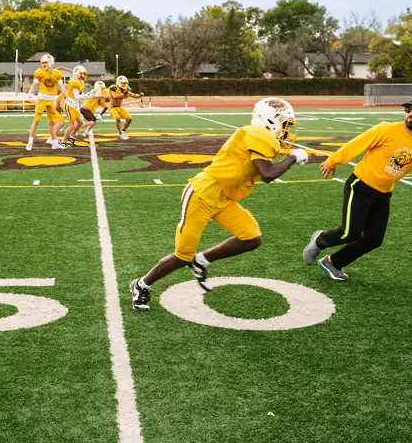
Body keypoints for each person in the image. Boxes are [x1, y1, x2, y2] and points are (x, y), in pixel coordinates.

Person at [129, 97, 326, 311]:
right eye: (285, 124)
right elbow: (268, 174)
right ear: (270, 120)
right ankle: (141, 284)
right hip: (201, 195)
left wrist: (290, 156)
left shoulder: (260, 137)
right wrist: (293, 158)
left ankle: (201, 261)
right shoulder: (257, 134)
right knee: (182, 256)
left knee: (251, 237)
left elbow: (268, 166)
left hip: (223, 199)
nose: (287, 130)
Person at [302, 96, 412, 281]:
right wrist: (333, 160)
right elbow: (358, 143)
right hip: (360, 186)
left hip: (383, 195)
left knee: (374, 239)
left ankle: (333, 262)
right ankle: (320, 239)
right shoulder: (386, 129)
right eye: (408, 110)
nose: (410, 114)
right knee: (349, 233)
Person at [26, 54, 67, 151]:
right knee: (36, 121)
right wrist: (30, 93)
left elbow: (61, 87)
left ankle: (55, 143)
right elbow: (34, 84)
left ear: (51, 63)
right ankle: (30, 142)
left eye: (45, 63)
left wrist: (67, 96)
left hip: (52, 100)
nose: (44, 65)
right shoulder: (39, 72)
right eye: (43, 63)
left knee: (52, 123)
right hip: (42, 99)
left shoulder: (57, 73)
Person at [59, 65, 94, 147]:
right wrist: (89, 95)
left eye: (84, 74)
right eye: (82, 74)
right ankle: (63, 141)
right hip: (69, 105)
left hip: (73, 106)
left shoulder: (80, 82)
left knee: (80, 122)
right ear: (77, 73)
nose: (84, 76)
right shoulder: (75, 82)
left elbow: (80, 95)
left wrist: (90, 95)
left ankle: (71, 136)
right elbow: (77, 96)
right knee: (72, 125)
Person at [108, 76, 144, 141]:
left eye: (125, 83)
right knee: (118, 119)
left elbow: (133, 95)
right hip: (112, 107)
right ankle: (121, 134)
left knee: (129, 119)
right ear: (118, 83)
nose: (124, 85)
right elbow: (115, 96)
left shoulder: (126, 89)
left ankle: (123, 130)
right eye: (123, 83)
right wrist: (123, 94)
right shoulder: (113, 88)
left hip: (120, 107)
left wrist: (140, 95)